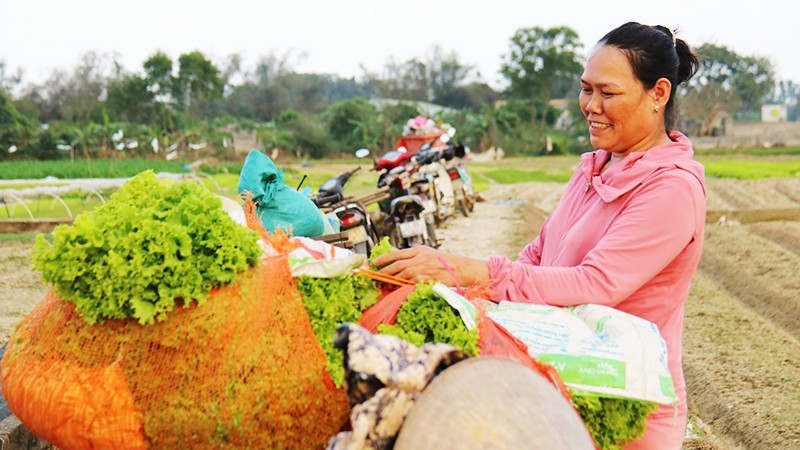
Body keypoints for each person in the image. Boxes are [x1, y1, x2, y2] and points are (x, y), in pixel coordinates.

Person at [374, 22, 704, 449]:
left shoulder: (671, 188)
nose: (591, 105)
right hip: (561, 387)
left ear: (658, 93)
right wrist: (468, 294)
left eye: (609, 93)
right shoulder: (595, 167)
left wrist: (472, 271)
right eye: (587, 89)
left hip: (625, 406)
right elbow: (538, 254)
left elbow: (596, 284)